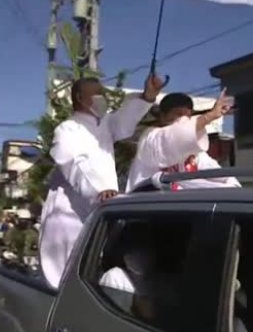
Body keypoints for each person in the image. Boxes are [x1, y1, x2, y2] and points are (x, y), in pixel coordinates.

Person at [39, 73, 165, 288]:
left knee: (94, 272)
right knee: (63, 278)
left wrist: (147, 96)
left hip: (103, 206)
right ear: (79, 97)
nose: (102, 98)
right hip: (69, 214)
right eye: (97, 94)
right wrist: (99, 190)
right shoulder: (66, 130)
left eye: (102, 93)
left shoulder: (105, 124)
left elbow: (124, 122)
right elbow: (75, 165)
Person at [125, 90, 235, 193]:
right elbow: (175, 135)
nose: (183, 120)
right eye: (178, 114)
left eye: (188, 116)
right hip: (147, 206)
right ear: (163, 116)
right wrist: (209, 117)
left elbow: (217, 174)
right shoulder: (150, 139)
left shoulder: (194, 153)